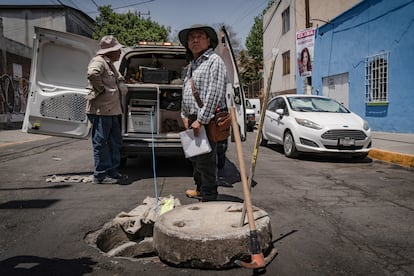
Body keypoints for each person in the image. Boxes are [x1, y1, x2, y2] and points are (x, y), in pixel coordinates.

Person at [178, 24, 227, 202]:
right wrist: (184, 115)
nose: (195, 40)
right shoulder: (192, 64)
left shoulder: (214, 61)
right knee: (194, 159)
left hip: (206, 119)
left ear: (208, 41)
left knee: (206, 161)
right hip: (192, 118)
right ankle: (200, 189)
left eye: (200, 36)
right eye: (192, 38)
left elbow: (215, 93)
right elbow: (186, 90)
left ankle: (209, 195)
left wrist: (201, 119)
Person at [86, 35, 128, 184]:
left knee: (114, 142)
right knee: (101, 142)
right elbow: (92, 74)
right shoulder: (99, 61)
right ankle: (101, 175)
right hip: (101, 111)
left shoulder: (109, 64)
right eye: (117, 50)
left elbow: (117, 76)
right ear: (110, 51)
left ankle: (113, 171)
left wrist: (121, 81)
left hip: (112, 110)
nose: (119, 53)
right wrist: (101, 89)